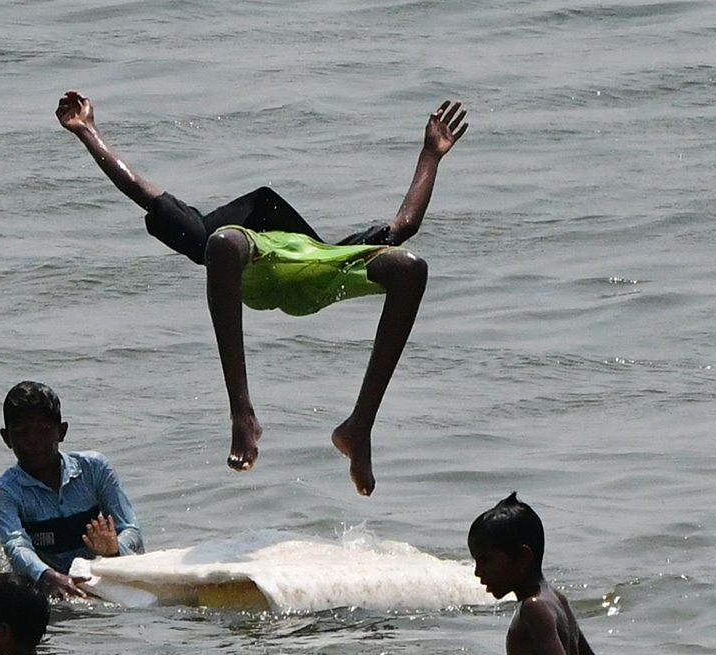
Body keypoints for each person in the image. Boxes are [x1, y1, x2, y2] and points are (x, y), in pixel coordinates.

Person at [57, 90, 468, 496]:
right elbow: (142, 192)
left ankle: (360, 426)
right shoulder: (226, 243)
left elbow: (405, 223)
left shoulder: (324, 254)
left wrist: (431, 153)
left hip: (316, 270)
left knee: (411, 267)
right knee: (217, 243)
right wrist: (88, 131)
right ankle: (242, 414)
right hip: (253, 271)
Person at [0, 380, 143, 598]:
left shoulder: (94, 469)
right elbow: (16, 546)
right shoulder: (1, 493)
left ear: (62, 431)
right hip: (45, 586)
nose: (33, 441)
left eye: (44, 430)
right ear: (6, 438)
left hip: (96, 577)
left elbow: (132, 531)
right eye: (22, 432)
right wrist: (50, 577)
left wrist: (114, 549)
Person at [442, 493, 601, 655]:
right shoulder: (555, 598)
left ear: (523, 558)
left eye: (486, 560)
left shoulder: (534, 607)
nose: (478, 572)